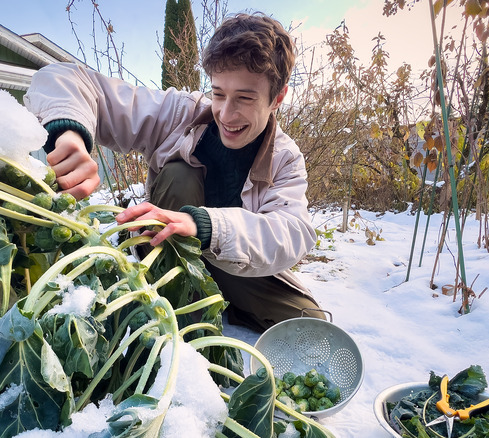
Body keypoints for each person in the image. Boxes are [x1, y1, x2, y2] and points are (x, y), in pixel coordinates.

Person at [24, 12, 325, 332]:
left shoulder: (286, 158)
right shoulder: (180, 113)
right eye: (219, 93)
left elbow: (293, 232)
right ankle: (175, 314)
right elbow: (63, 78)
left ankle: (223, 300)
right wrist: (71, 135)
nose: (225, 113)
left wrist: (205, 226)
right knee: (179, 174)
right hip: (165, 248)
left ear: (277, 98)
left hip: (233, 261)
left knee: (312, 325)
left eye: (245, 98)